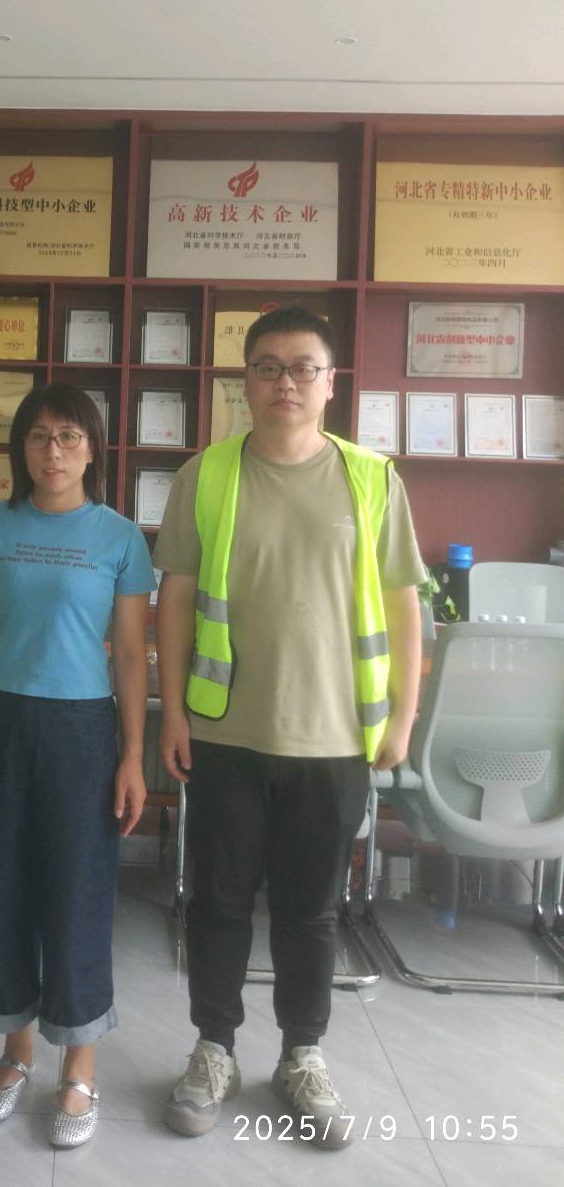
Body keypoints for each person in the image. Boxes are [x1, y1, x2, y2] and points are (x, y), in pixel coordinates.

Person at [155, 305, 424, 1149]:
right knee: (217, 902)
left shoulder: (372, 479)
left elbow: (404, 605)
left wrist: (403, 717)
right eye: (267, 366)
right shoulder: (206, 474)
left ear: (330, 381)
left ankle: (302, 1054)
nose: (285, 382)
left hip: (335, 738)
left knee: (312, 911)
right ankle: (213, 1049)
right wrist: (172, 709)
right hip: (226, 732)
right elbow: (174, 597)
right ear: (245, 380)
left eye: (303, 367)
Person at [0, 384, 153, 1148]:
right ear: (20, 448)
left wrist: (133, 753)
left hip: (83, 730)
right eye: (38, 436)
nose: (52, 451)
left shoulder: (120, 538)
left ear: (93, 450)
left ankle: (80, 1064)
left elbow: (130, 653)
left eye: (68, 437)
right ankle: (14, 1050)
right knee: (4, 886)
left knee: (78, 890)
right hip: (2, 722)